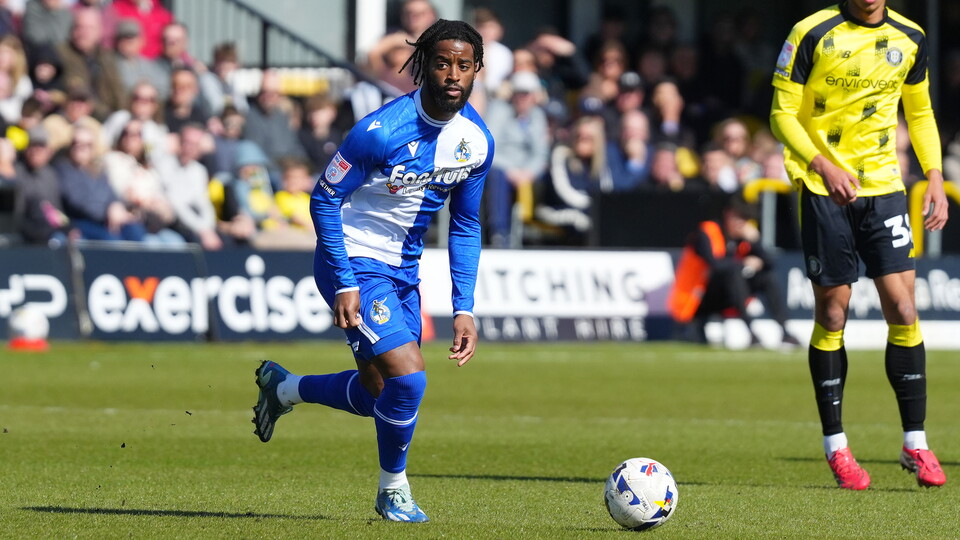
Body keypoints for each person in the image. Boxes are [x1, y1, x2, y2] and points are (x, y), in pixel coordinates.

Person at [251, 19, 493, 523]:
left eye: (464, 65)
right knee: (409, 381)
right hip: (355, 260)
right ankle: (393, 492)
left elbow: (466, 224)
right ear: (424, 66)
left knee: (376, 394)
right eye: (443, 62)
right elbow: (324, 197)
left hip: (404, 269)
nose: (453, 74)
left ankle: (283, 388)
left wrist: (464, 307)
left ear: (476, 72)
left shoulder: (475, 142)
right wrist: (343, 279)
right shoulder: (379, 131)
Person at [770, 0, 949, 490]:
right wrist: (822, 165)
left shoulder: (911, 37)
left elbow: (921, 112)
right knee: (832, 315)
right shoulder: (810, 32)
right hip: (824, 189)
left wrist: (934, 175)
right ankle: (837, 447)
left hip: (885, 190)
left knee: (904, 310)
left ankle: (915, 443)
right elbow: (781, 115)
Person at [668, 197, 799, 348]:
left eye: (745, 219)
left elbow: (769, 263)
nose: (741, 224)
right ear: (728, 214)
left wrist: (756, 241)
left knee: (767, 278)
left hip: (731, 294)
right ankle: (752, 333)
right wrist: (743, 263)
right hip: (699, 296)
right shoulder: (709, 231)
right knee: (733, 275)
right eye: (739, 218)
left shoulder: (743, 237)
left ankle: (785, 332)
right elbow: (715, 264)